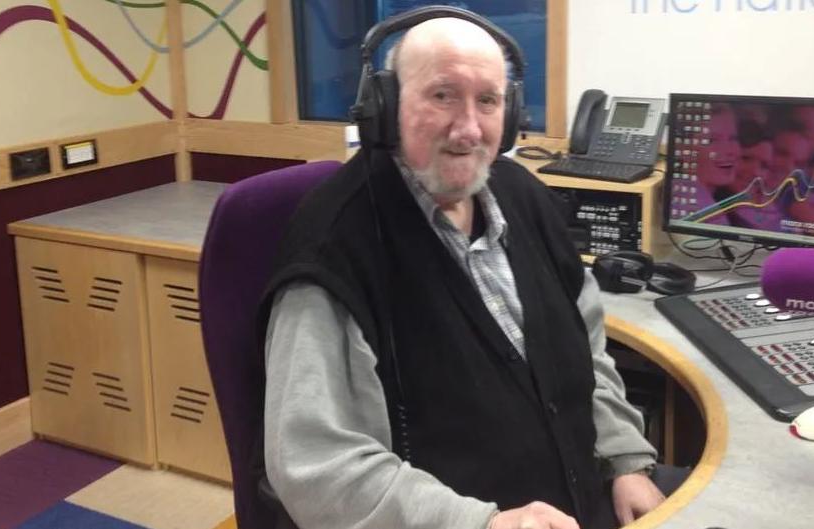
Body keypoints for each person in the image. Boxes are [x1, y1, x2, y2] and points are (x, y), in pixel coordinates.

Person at [260, 12, 678, 529]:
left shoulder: (526, 199)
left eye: (488, 100)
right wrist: (482, 523)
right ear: (384, 108)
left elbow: (585, 350)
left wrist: (625, 461)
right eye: (442, 96)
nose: (468, 129)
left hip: (579, 501)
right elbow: (315, 467)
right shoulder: (336, 248)